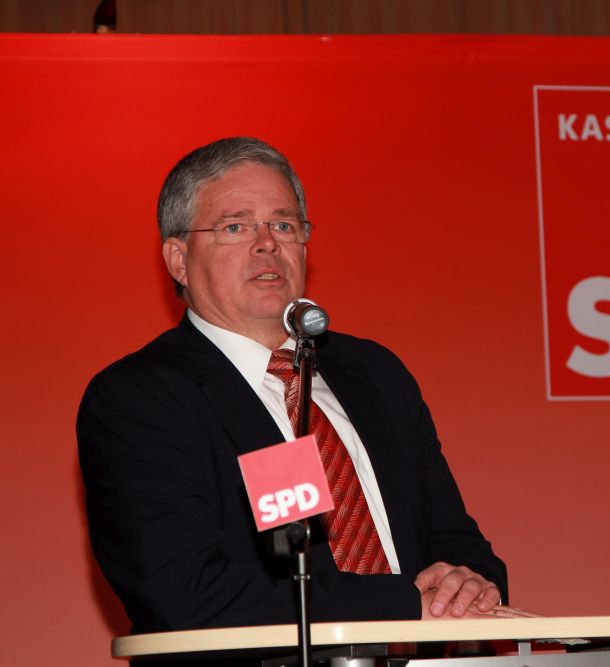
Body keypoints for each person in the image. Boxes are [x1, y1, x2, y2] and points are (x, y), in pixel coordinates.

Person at [77, 137, 512, 640]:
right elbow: (185, 595)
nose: (267, 244)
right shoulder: (138, 399)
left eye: (284, 225)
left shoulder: (375, 374)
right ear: (178, 260)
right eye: (235, 226)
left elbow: (459, 544)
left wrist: (466, 585)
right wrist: (406, 606)